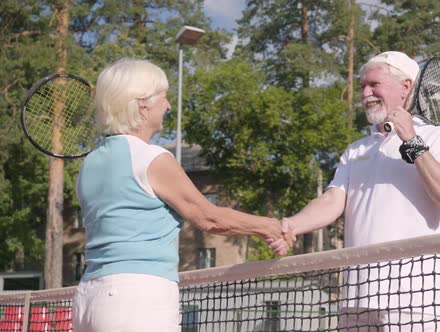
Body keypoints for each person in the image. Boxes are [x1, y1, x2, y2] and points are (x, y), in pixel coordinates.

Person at [72, 58, 294, 332]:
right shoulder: (152, 158)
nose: (168, 106)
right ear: (143, 105)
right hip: (136, 297)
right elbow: (208, 218)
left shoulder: (90, 164)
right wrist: (268, 226)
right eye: (163, 98)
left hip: (88, 298)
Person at [268, 51, 440, 331]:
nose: (365, 93)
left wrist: (411, 139)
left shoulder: (438, 138)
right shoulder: (356, 150)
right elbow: (331, 201)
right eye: (362, 86)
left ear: (406, 87)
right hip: (356, 304)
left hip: (413, 304)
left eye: (374, 84)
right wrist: (291, 225)